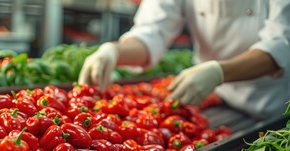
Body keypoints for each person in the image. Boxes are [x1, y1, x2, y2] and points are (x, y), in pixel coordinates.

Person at [78, 0, 290, 120]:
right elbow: (151, 32)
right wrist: (114, 51)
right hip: (213, 98)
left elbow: (281, 43)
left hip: (270, 102)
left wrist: (219, 72)